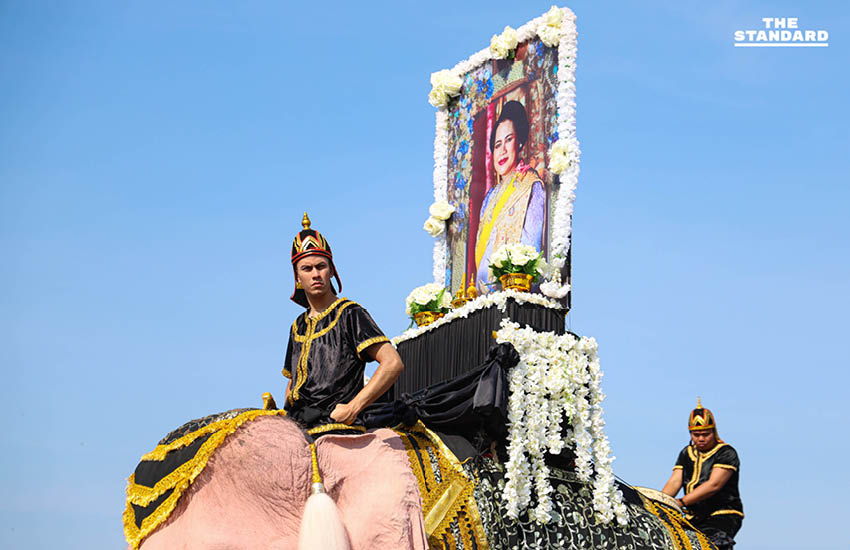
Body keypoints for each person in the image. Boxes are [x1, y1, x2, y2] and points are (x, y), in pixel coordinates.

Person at [283, 212, 404, 430]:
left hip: (337, 427)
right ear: (297, 277)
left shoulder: (350, 314)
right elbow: (292, 383)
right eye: (307, 269)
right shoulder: (297, 326)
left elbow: (393, 363)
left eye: (321, 266)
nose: (315, 274)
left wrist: (353, 408)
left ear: (331, 270)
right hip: (298, 426)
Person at [474, 99, 546, 292]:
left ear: (520, 142)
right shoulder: (490, 196)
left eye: (508, 140)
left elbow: (532, 247)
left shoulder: (530, 186)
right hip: (482, 296)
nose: (503, 150)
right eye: (497, 144)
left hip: (514, 290)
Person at [662, 399, 744, 550]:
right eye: (696, 434)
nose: (701, 438)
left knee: (710, 543)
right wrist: (660, 502)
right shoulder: (686, 453)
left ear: (714, 432)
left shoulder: (726, 453)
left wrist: (681, 502)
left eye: (705, 434)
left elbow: (714, 485)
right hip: (695, 517)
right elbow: (674, 482)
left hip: (722, 514)